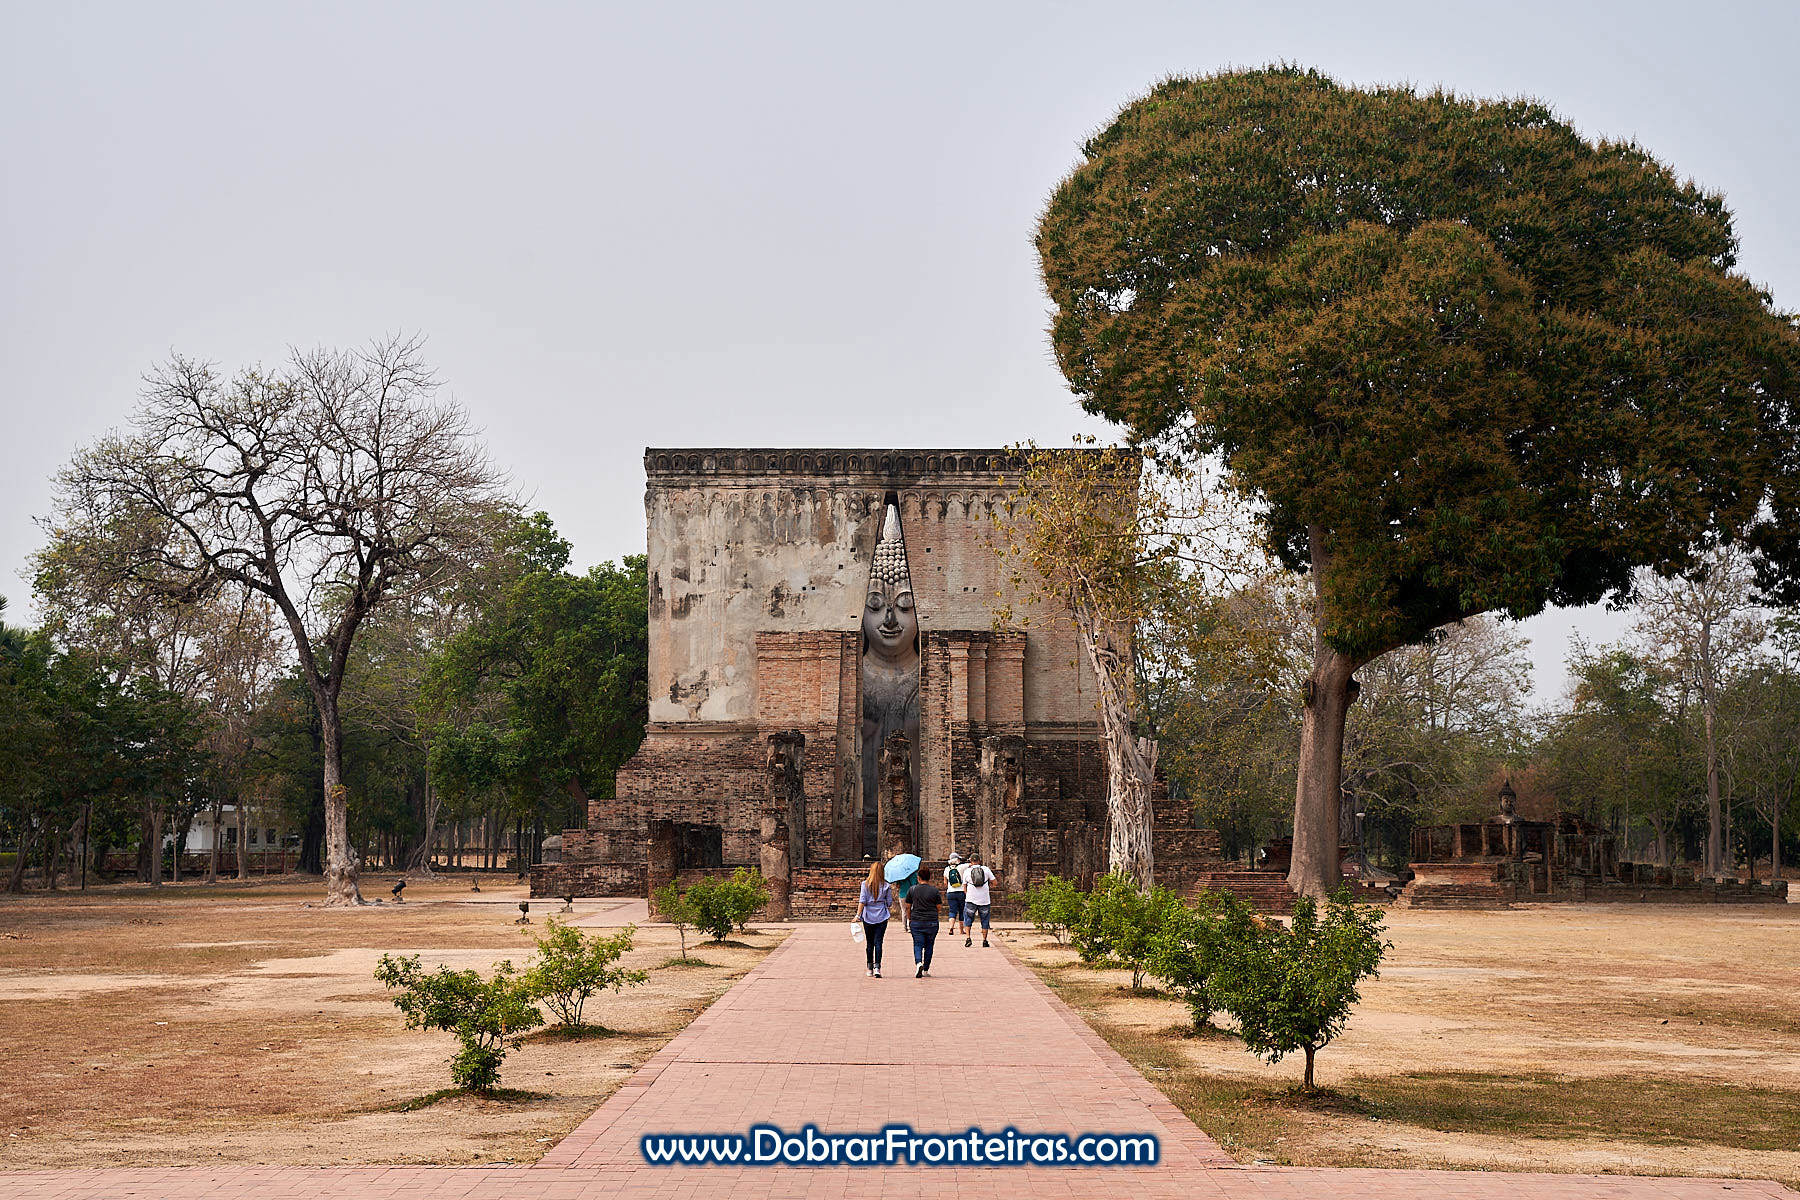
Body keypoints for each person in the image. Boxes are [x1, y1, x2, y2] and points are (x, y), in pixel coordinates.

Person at [856, 860, 895, 977]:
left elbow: (862, 901)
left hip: (868, 916)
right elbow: (889, 903)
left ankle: (869, 967)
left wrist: (858, 915)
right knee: (879, 942)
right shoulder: (886, 885)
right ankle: (877, 967)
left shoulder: (865, 884)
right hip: (882, 916)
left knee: (869, 943)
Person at [903, 872, 943, 977]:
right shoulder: (934, 891)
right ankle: (926, 969)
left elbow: (907, 906)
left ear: (918, 878)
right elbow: (939, 907)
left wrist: (909, 918)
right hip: (931, 921)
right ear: (929, 878)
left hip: (916, 921)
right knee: (929, 945)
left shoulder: (912, 889)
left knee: (918, 944)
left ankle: (918, 963)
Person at [962, 852, 993, 948]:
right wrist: (987, 886)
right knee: (985, 920)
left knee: (968, 919)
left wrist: (968, 894)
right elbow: (995, 882)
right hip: (984, 899)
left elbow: (964, 887)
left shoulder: (967, 871)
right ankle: (984, 940)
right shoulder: (986, 870)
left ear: (971, 861)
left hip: (971, 899)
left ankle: (968, 938)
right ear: (979, 861)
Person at [943, 852, 967, 937]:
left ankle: (951, 928)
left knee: (952, 911)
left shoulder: (946, 869)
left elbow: (945, 882)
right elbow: (972, 864)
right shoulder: (962, 867)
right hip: (961, 892)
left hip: (950, 892)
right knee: (961, 911)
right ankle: (961, 930)